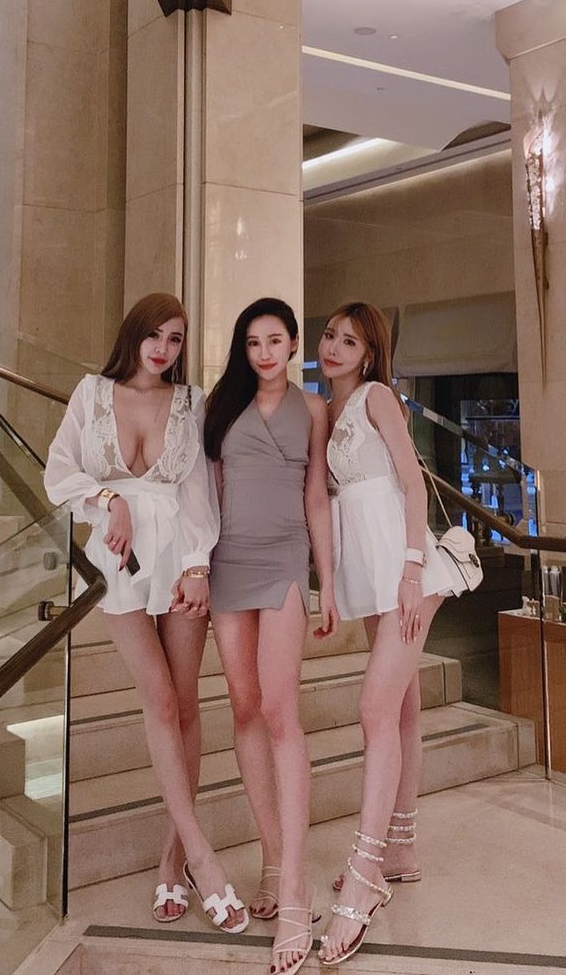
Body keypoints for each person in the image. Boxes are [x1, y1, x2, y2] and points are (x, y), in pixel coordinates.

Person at [44, 293, 248, 934]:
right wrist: (110, 499)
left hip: (180, 559)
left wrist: (197, 565)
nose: (163, 349)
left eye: (176, 339)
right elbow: (58, 471)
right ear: (133, 334)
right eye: (154, 335)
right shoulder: (91, 394)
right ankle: (204, 859)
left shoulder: (189, 403)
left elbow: (199, 490)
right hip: (119, 560)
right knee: (158, 700)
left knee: (185, 706)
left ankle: (173, 860)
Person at [317, 301, 455, 967]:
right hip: (370, 574)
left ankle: (366, 873)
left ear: (370, 354)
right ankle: (400, 848)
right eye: (329, 336)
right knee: (400, 710)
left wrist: (411, 567)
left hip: (406, 572)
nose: (334, 347)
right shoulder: (330, 409)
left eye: (350, 340)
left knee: (375, 708)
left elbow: (413, 482)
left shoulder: (375, 397)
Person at [203, 297, 338, 975]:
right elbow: (208, 491)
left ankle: (294, 886)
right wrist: (195, 567)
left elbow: (317, 497)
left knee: (282, 711)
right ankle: (270, 855)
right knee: (245, 708)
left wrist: (327, 582)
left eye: (275, 340)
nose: (264, 352)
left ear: (292, 345)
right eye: (253, 341)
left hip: (285, 561)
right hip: (228, 562)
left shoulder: (313, 409)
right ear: (244, 347)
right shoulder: (220, 404)